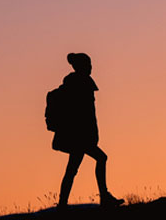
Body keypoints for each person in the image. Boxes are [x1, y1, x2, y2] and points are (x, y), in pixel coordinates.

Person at [52, 53, 123, 207]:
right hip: (80, 136)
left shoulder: (77, 82)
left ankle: (63, 203)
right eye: (88, 65)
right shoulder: (79, 83)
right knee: (99, 159)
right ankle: (103, 197)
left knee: (72, 169)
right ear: (82, 66)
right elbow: (83, 113)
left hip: (81, 135)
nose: (91, 67)